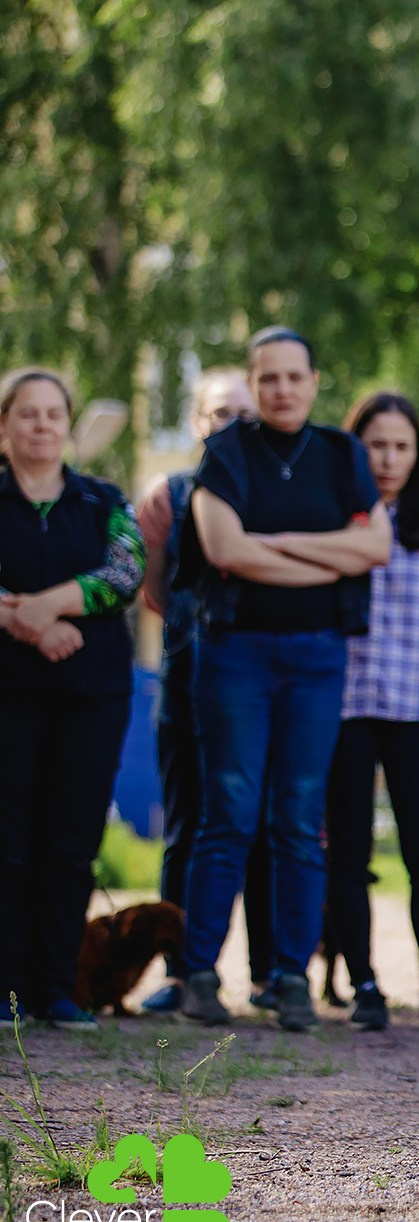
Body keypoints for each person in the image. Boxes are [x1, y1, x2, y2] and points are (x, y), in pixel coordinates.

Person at [176, 326, 391, 1031]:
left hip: (318, 654)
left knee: (299, 820)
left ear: (314, 379)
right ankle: (200, 974)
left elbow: (377, 545)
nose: (282, 389)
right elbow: (223, 549)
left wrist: (276, 546)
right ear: (254, 381)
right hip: (235, 651)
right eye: (267, 378)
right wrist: (332, 557)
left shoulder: (341, 453)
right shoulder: (226, 453)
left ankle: (290, 978)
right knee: (228, 814)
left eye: (294, 376)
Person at [321, 392, 419, 1034]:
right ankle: (361, 981)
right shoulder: (333, 514)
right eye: (374, 446)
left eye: (399, 446)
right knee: (348, 848)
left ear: (418, 454)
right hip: (344, 701)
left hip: (418, 698)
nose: (387, 459)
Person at [0, 368, 144, 1031]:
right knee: (9, 840)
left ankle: (57, 987)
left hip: (91, 696)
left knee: (69, 842)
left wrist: (43, 604)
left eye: (52, 413)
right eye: (25, 413)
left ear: (67, 423)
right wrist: (22, 621)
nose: (40, 424)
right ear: (5, 426)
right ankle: (6, 989)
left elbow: (124, 572)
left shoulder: (102, 500)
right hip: (10, 693)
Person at [135, 369, 278, 1015]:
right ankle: (182, 970)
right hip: (190, 677)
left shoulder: (279, 489)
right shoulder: (165, 496)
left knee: (261, 827)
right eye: (220, 413)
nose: (232, 425)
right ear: (198, 423)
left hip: (264, 680)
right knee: (188, 828)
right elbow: (156, 590)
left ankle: (270, 973)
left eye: (244, 414)